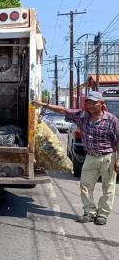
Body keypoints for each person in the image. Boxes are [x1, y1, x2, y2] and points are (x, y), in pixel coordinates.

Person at [33, 91, 119, 225]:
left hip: (108, 157)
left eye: (93, 103)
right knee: (85, 185)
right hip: (90, 157)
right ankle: (90, 212)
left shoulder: (112, 120)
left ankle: (102, 214)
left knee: (108, 187)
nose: (90, 106)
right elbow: (63, 110)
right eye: (88, 103)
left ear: (101, 104)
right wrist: (43, 104)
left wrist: (118, 160)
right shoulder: (82, 116)